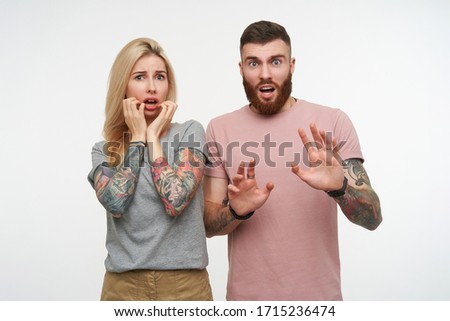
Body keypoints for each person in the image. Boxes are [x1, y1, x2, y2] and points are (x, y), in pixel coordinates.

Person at [203, 20, 382, 300]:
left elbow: (373, 218)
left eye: (276, 61)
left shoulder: (332, 121)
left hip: (319, 301)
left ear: (291, 65)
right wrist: (237, 210)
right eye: (253, 63)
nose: (265, 74)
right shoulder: (219, 128)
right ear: (241, 69)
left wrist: (340, 187)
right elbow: (209, 225)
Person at [87, 38, 212, 300]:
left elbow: (175, 200)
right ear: (124, 85)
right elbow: (116, 203)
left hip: (184, 285)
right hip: (123, 287)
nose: (152, 87)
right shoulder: (104, 149)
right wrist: (137, 138)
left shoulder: (189, 132)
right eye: (140, 77)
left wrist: (153, 138)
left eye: (160, 77)